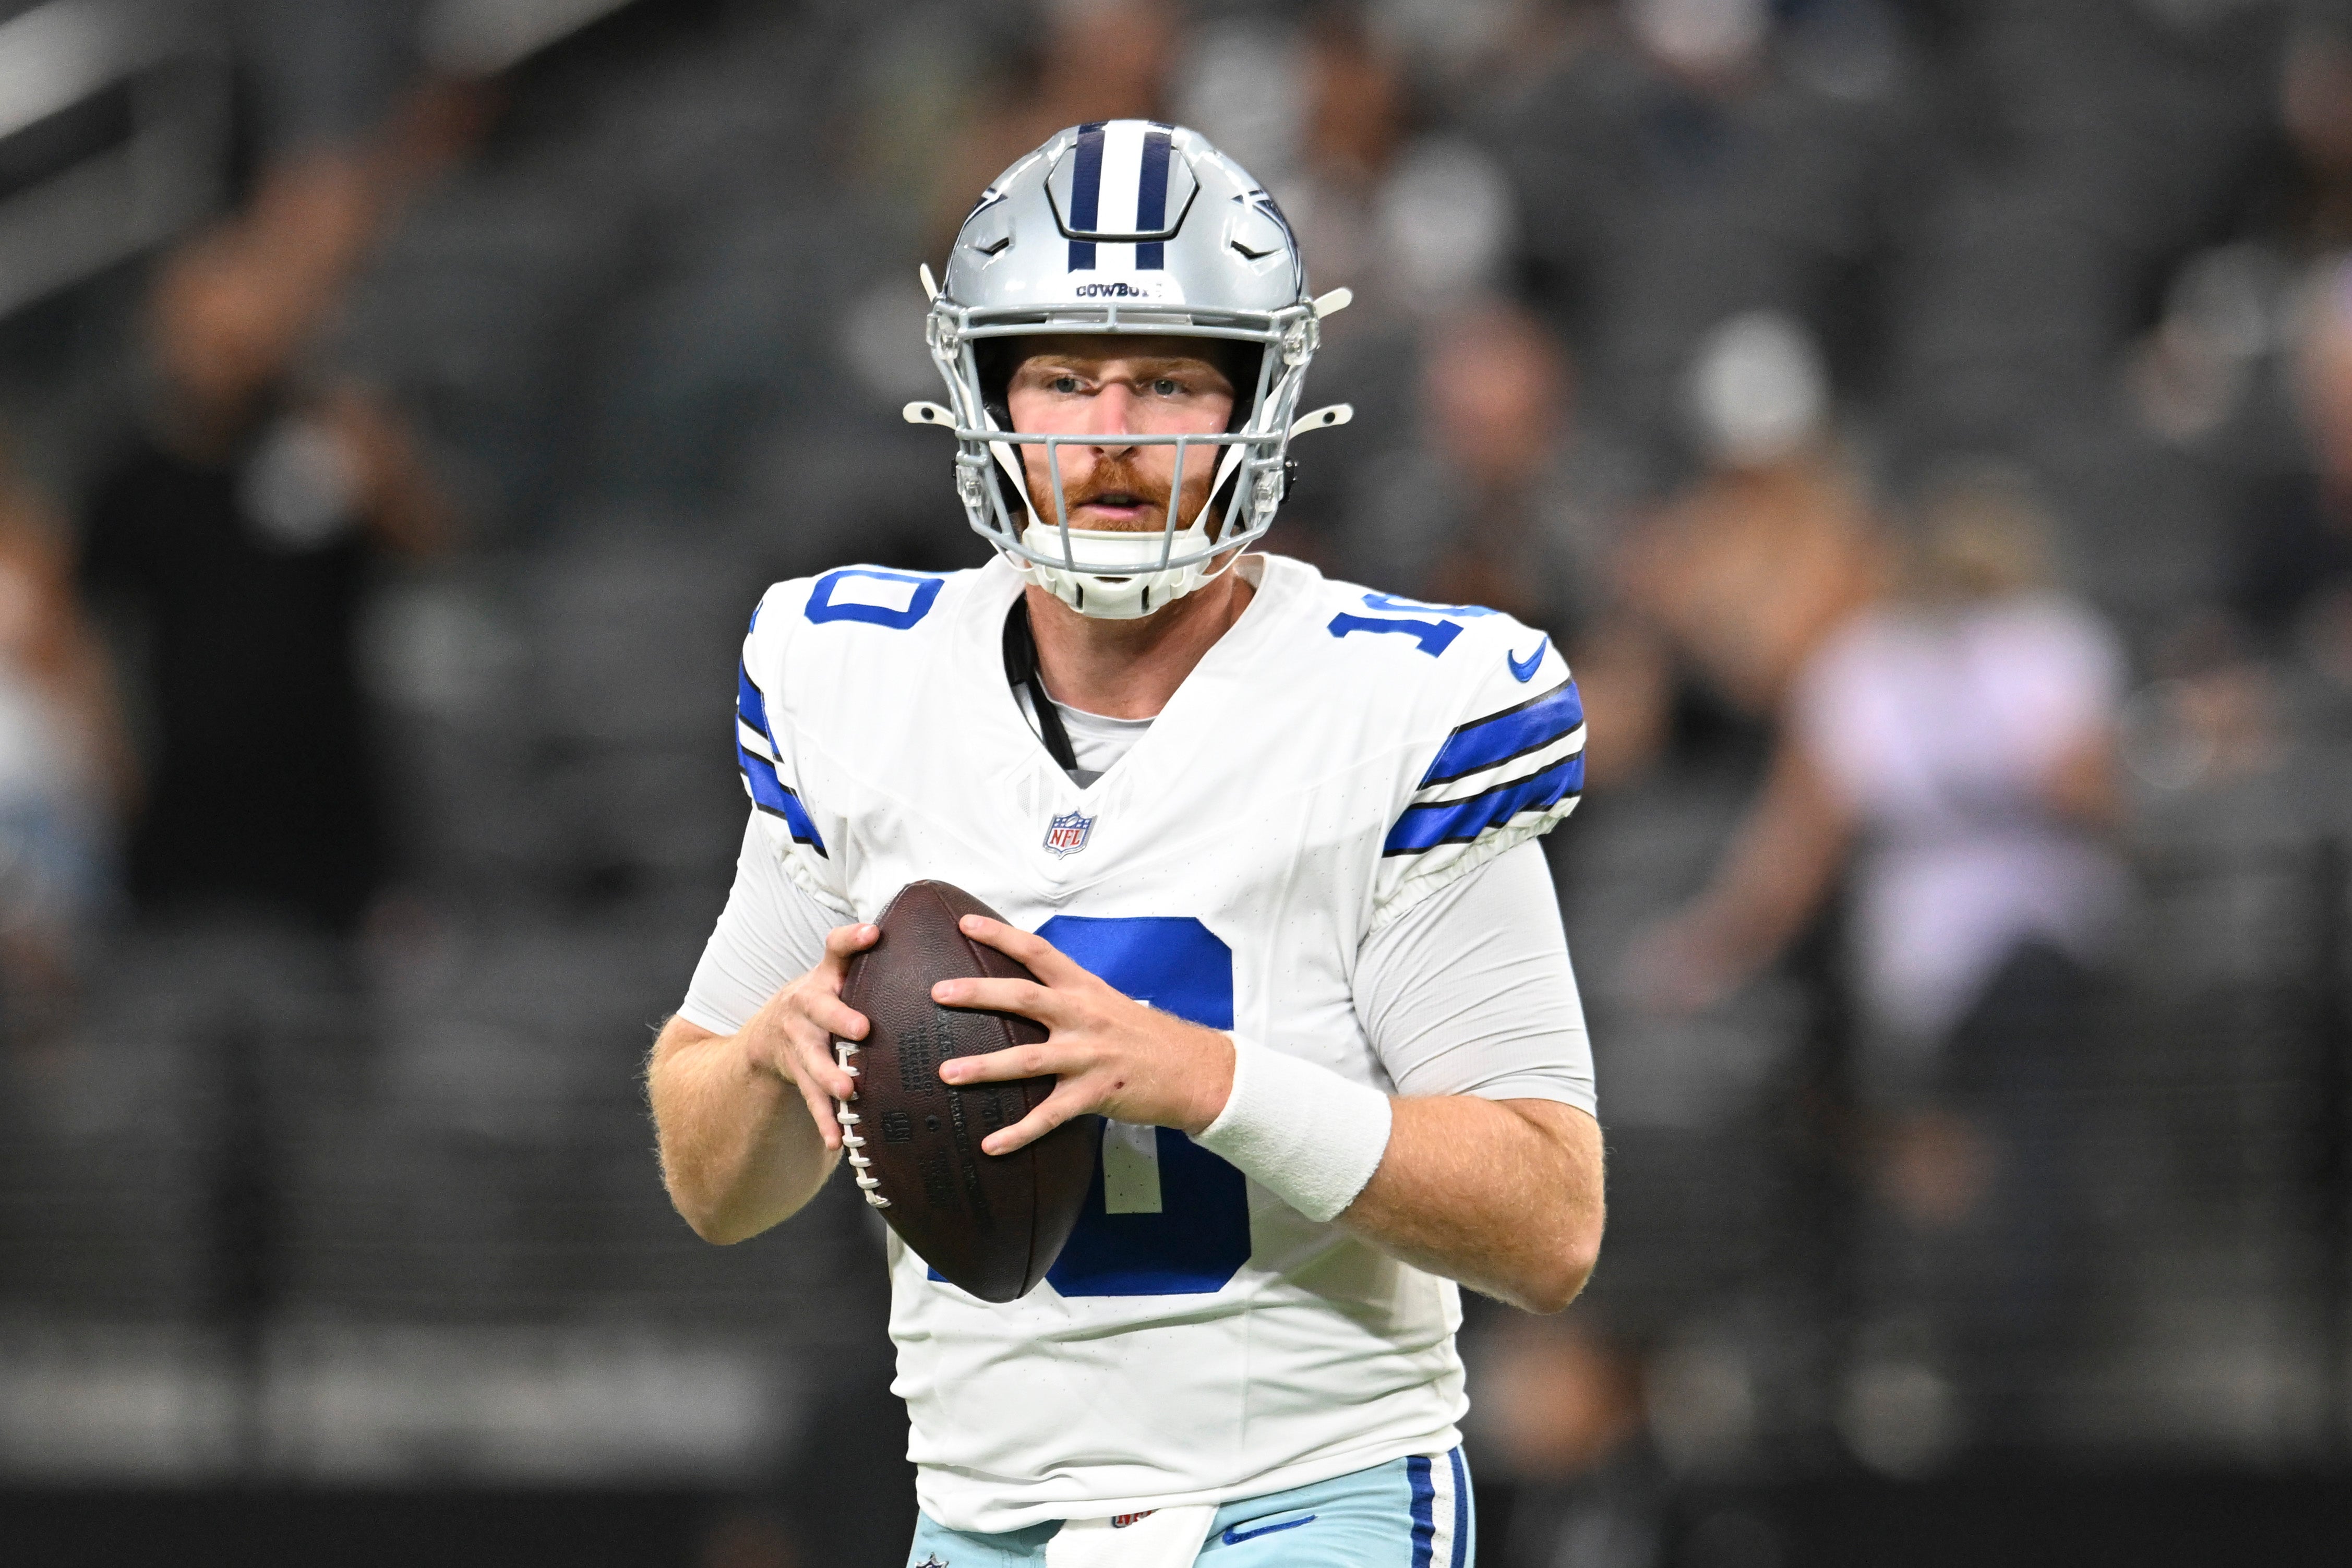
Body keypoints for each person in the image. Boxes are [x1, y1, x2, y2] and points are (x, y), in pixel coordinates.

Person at [646, 123, 1603, 1566]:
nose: (1108, 433)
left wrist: (1199, 1078)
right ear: (985, 397)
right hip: (980, 1517)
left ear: (1256, 403)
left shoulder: (1404, 707)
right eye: (1062, 376)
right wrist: (773, 1059)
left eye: (1164, 380)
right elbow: (715, 1188)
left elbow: (1548, 1222)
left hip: (1308, 1495)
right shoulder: (855, 680)